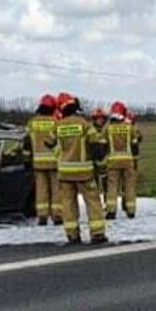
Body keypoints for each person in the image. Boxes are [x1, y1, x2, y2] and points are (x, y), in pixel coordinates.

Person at [45, 94, 106, 244]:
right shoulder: (84, 124)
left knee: (68, 204)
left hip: (65, 172)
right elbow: (95, 145)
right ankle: (97, 233)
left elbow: (49, 142)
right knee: (93, 202)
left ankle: (72, 235)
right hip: (84, 172)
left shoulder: (58, 125)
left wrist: (60, 153)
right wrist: (99, 163)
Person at [23, 94, 61, 225]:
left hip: (38, 162)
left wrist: (27, 160)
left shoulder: (32, 122)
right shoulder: (55, 122)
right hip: (54, 162)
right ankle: (57, 216)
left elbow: (26, 142)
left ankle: (42, 216)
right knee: (56, 189)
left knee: (41, 189)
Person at [104, 101, 141, 219]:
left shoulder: (108, 129)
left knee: (112, 187)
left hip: (113, 161)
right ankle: (131, 210)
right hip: (128, 161)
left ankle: (111, 211)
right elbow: (135, 145)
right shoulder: (129, 128)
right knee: (129, 185)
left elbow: (102, 146)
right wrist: (135, 159)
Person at [90, 107, 109, 211]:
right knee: (94, 185)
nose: (100, 121)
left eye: (101, 119)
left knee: (107, 184)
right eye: (98, 119)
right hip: (93, 162)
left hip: (105, 162)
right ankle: (96, 204)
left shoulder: (107, 130)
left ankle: (108, 203)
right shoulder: (90, 130)